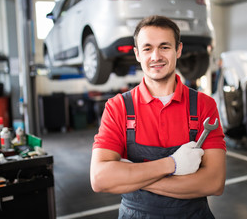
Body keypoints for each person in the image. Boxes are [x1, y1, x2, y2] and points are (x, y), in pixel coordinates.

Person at [90, 15, 226, 218]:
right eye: (147, 48)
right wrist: (172, 164)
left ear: (178, 50)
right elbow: (100, 179)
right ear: (137, 54)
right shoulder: (118, 107)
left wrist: (133, 177)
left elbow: (214, 183)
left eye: (164, 47)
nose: (156, 56)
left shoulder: (204, 106)